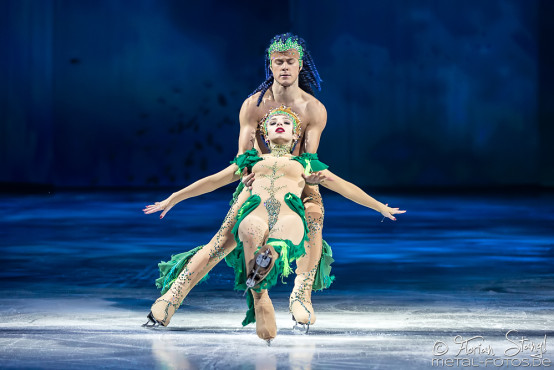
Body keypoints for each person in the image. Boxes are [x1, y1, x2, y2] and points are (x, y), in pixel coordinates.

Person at [143, 106, 405, 344]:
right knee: (244, 232)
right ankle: (182, 299)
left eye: (286, 123)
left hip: (288, 216)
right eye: (273, 122)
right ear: (265, 137)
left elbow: (345, 187)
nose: (279, 123)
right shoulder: (251, 162)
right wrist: (173, 198)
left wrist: (379, 206)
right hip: (254, 212)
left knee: (288, 230)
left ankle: (277, 272)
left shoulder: (305, 163)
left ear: (295, 137)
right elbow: (212, 181)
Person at [142, 33, 335, 335]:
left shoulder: (314, 109)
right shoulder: (253, 105)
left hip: (297, 178)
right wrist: (249, 172)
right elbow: (243, 155)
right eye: (278, 62)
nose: (284, 67)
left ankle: (302, 294)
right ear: (270, 65)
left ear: (301, 65)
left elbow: (309, 158)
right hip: (257, 179)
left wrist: (307, 183)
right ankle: (170, 298)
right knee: (222, 240)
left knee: (314, 215)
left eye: (290, 62)